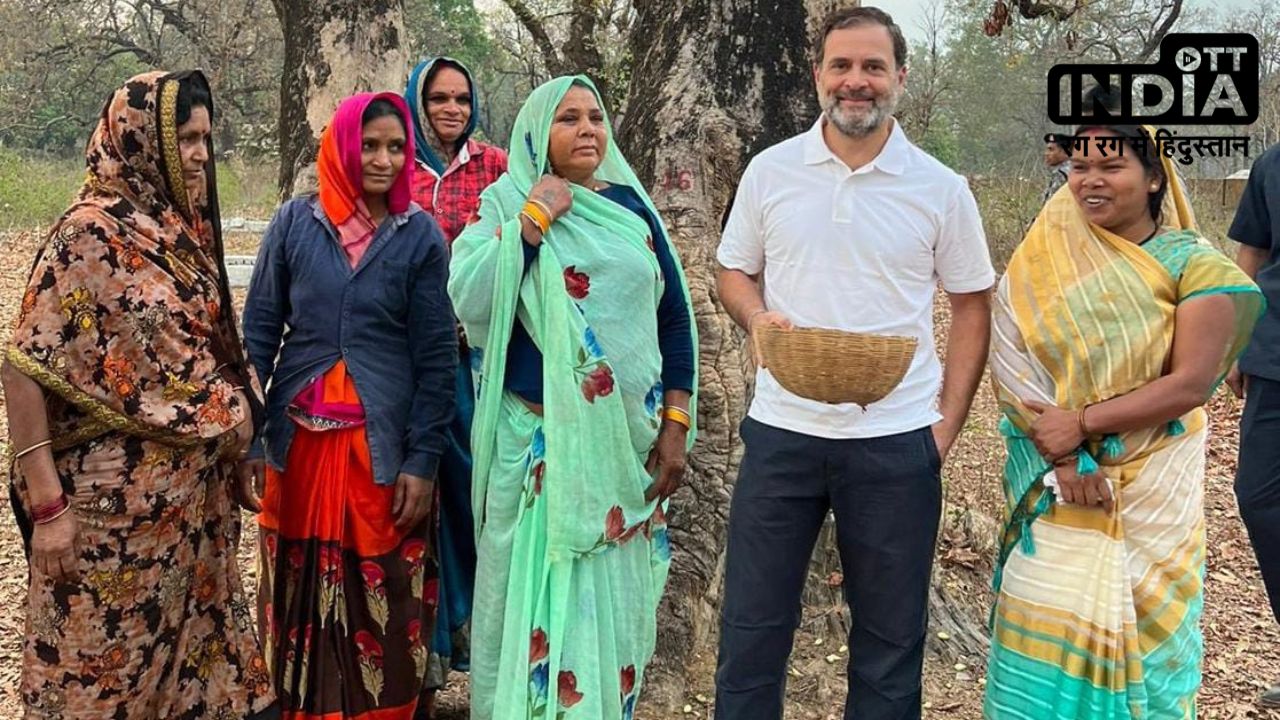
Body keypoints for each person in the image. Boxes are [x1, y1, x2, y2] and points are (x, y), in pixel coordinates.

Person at [714, 7, 996, 718]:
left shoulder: (938, 188)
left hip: (896, 443)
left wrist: (943, 429)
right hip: (782, 434)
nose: (856, 82)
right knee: (751, 634)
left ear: (900, 76)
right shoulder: (771, 171)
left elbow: (972, 306)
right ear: (818, 76)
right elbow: (733, 272)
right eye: (841, 65)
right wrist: (756, 316)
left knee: (890, 646)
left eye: (873, 66)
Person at [2, 70, 277, 719]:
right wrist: (47, 508)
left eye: (206, 138)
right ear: (136, 140)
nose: (200, 154)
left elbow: (211, 355)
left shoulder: (179, 234)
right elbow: (25, 365)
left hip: (188, 532)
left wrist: (235, 451)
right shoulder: (88, 235)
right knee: (101, 686)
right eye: (185, 137)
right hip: (108, 530)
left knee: (198, 688)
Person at [985, 124, 1262, 719]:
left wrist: (1082, 421)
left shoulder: (1197, 266)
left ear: (1155, 176)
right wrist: (1065, 457)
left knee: (1152, 646)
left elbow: (1190, 383)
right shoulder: (1043, 260)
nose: (1090, 179)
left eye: (1111, 166)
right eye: (1080, 165)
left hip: (1153, 492)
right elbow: (1011, 359)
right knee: (1044, 644)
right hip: (1054, 486)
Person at [448, 75, 697, 720]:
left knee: (607, 616)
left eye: (595, 117)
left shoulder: (631, 209)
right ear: (537, 134)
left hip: (626, 453)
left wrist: (676, 422)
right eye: (568, 119)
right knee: (534, 605)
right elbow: (469, 297)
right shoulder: (506, 206)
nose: (588, 129)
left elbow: (673, 319)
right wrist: (534, 219)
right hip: (536, 450)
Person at [240, 92, 457, 719]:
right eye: (369, 145)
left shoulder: (417, 235)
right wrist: (253, 440)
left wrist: (422, 459)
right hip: (298, 451)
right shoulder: (293, 224)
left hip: (381, 455)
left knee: (382, 600)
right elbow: (258, 337)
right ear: (340, 147)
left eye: (396, 147)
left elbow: (436, 358)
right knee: (294, 593)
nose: (384, 159)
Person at [403, 55, 508, 719]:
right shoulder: (397, 165)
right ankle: (424, 668)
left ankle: (485, 652)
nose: (450, 109)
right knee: (422, 507)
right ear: (417, 102)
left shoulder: (495, 166)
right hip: (411, 368)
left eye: (461, 98)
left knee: (481, 502)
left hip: (479, 365)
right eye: (438, 98)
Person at [1226, 141, 1280, 707]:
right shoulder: (1272, 165)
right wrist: (1237, 341)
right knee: (1259, 495)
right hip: (1274, 359)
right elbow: (1251, 256)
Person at [1042, 133, 1070, 204]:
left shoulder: (1062, 173)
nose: (1046, 154)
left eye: (1051, 150)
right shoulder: (1075, 169)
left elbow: (1051, 204)